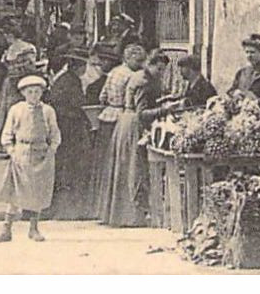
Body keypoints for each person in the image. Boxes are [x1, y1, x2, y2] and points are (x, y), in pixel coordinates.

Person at [100, 51, 170, 228]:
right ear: (151, 64)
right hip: (132, 125)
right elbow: (142, 113)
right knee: (134, 169)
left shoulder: (140, 75)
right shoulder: (144, 81)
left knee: (124, 168)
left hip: (125, 121)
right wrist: (166, 109)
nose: (160, 73)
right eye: (159, 69)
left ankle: (120, 214)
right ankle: (131, 216)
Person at [0, 74, 62, 243]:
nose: (33, 95)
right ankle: (6, 229)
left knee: (37, 192)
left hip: (41, 153)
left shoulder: (47, 111)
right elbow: (7, 133)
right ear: (23, 93)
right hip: (21, 153)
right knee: (16, 192)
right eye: (30, 92)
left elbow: (55, 133)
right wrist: (11, 150)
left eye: (37, 92)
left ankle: (34, 229)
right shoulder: (17, 109)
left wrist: (52, 149)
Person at [91, 42, 145, 221]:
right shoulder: (133, 75)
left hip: (107, 116)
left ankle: (103, 211)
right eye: (137, 60)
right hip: (122, 117)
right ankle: (121, 211)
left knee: (108, 165)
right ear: (128, 58)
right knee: (122, 164)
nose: (140, 64)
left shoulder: (114, 71)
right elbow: (133, 102)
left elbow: (102, 96)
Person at [45, 53, 95, 220]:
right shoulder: (71, 82)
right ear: (78, 67)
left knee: (64, 166)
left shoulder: (65, 79)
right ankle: (67, 209)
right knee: (71, 166)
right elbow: (78, 104)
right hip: (68, 127)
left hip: (63, 125)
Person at [0, 22, 41, 153]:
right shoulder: (29, 47)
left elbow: (4, 66)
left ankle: (8, 143)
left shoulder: (10, 50)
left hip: (12, 83)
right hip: (23, 82)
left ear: (10, 36)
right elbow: (32, 65)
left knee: (9, 111)